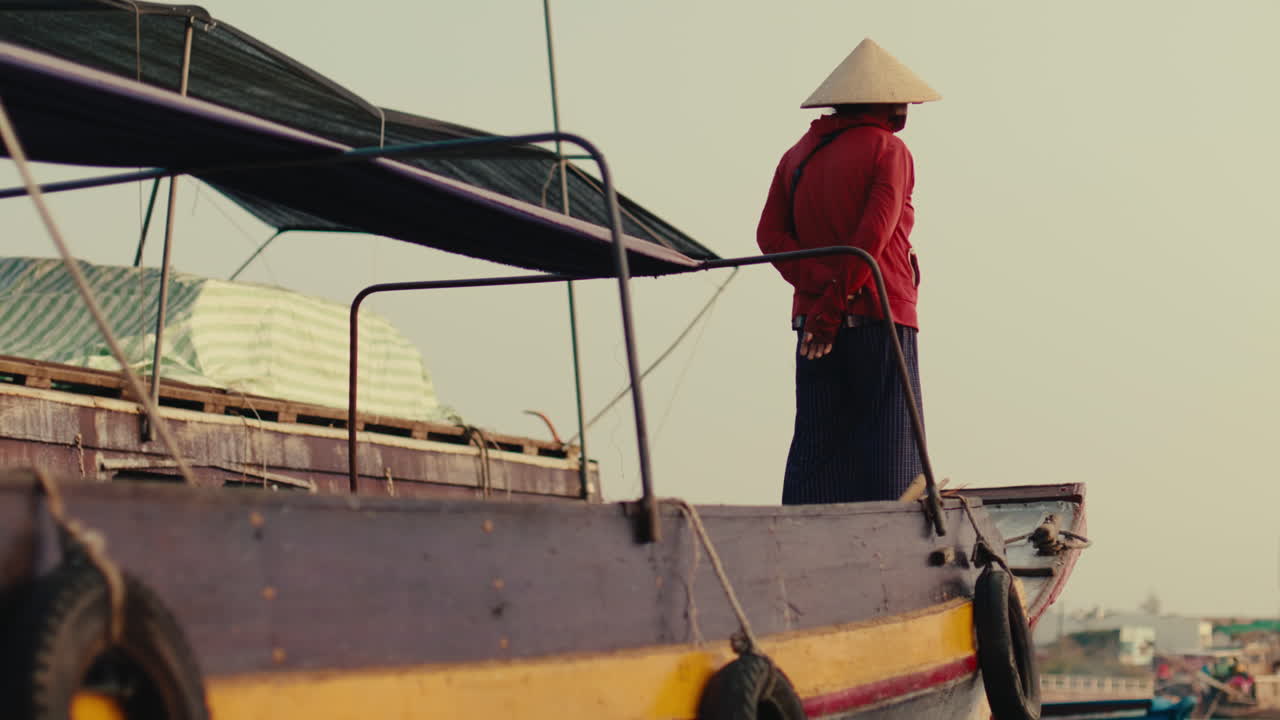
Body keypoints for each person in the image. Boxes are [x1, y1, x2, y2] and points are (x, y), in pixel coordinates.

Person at [757, 38, 941, 504]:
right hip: (878, 315)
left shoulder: (797, 155)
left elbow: (770, 238)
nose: (906, 109)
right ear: (881, 100)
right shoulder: (889, 150)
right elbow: (871, 241)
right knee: (891, 455)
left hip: (814, 323)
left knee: (817, 450)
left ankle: (800, 544)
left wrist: (823, 300)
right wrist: (837, 302)